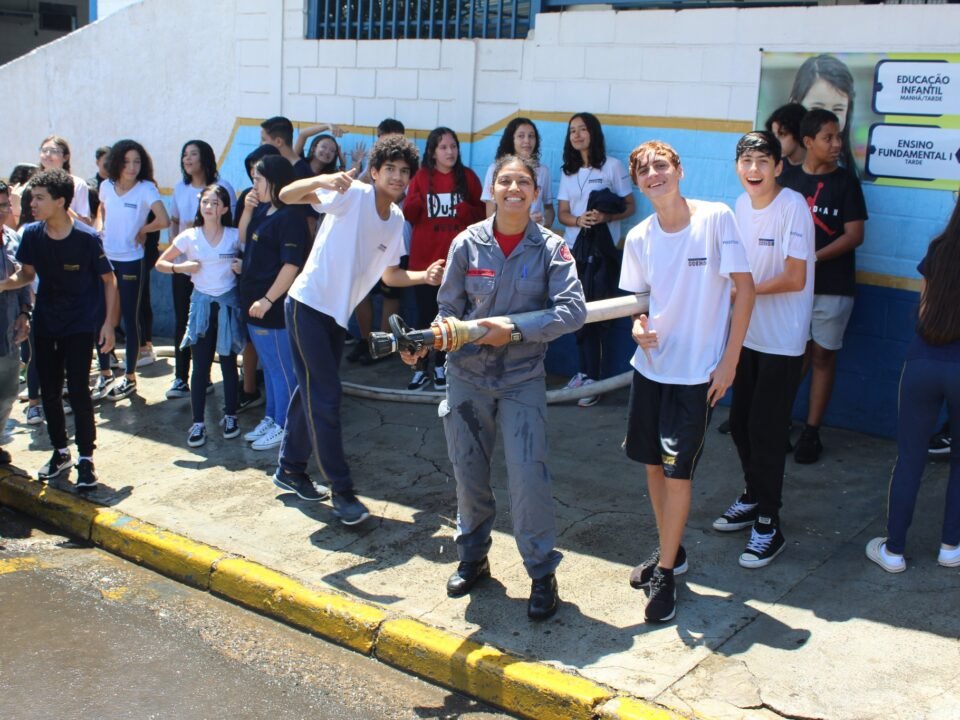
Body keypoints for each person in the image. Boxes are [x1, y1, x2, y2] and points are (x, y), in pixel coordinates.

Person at [402, 155, 586, 620]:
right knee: (469, 473)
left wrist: (516, 330)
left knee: (528, 477)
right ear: (493, 189)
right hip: (467, 378)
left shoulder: (551, 248)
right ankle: (473, 557)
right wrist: (428, 341)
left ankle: (542, 573)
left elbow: (573, 310)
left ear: (535, 192)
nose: (514, 188)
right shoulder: (468, 243)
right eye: (505, 180)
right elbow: (447, 309)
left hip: (522, 379)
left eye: (523, 181)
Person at [274, 134, 444, 525]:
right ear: (375, 171)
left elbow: (392, 274)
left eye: (405, 172)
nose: (398, 177)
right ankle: (343, 491)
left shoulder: (397, 221)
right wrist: (323, 180)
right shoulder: (354, 195)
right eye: (391, 170)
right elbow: (285, 195)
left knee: (312, 390)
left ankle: (290, 467)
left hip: (336, 316)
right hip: (307, 304)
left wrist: (425, 276)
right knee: (326, 396)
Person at [621, 141, 754, 623]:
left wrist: (729, 362)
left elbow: (746, 290)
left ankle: (667, 572)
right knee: (653, 467)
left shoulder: (715, 219)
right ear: (638, 182)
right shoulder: (638, 237)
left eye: (662, 166)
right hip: (650, 369)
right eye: (645, 170)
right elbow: (639, 302)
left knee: (679, 473)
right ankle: (669, 551)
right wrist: (637, 325)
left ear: (679, 169)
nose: (654, 175)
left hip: (698, 375)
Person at [712, 131, 815, 569]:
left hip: (783, 341)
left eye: (762, 161)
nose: (753, 169)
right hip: (747, 335)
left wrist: (743, 292)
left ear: (778, 166)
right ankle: (756, 495)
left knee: (767, 432)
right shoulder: (737, 208)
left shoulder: (792, 207)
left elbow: (794, 278)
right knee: (738, 424)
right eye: (746, 161)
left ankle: (770, 525)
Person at [1, 169, 118, 487]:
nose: (32, 203)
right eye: (31, 197)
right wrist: (3, 285)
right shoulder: (31, 234)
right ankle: (60, 451)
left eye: (39, 198)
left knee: (79, 391)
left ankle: (86, 459)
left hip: (80, 324)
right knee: (49, 393)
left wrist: (108, 324)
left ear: (60, 201)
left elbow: (109, 281)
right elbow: (26, 275)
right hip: (46, 323)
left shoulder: (86, 239)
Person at [866, 194, 960, 573]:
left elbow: (924, 310)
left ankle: (894, 551)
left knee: (910, 459)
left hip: (923, 361)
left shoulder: (939, 249)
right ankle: (951, 547)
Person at [779, 109, 867, 464]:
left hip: (832, 287)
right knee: (792, 355)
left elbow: (855, 235)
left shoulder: (846, 183)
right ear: (808, 142)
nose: (836, 144)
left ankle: (812, 432)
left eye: (838, 137)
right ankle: (778, 420)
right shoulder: (789, 182)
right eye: (828, 138)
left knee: (823, 356)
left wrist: (813, 258)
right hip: (793, 288)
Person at [556, 112, 635, 407]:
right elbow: (563, 213)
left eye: (583, 130)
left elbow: (629, 206)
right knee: (576, 315)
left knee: (596, 317)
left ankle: (593, 379)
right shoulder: (568, 172)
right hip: (573, 254)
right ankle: (584, 374)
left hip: (601, 255)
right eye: (572, 130)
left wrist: (604, 217)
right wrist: (579, 219)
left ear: (594, 133)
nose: (577, 135)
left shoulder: (613, 167)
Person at [156, 184, 243, 447]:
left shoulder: (234, 235)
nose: (209, 207)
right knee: (200, 363)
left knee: (228, 362)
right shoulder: (189, 236)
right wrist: (180, 267)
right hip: (201, 305)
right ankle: (197, 423)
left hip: (227, 305)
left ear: (225, 208)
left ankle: (230, 416)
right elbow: (160, 263)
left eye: (215, 203)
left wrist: (243, 266)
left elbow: (253, 257)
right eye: (205, 202)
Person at [235, 155, 309, 451]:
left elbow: (291, 266)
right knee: (270, 366)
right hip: (253, 305)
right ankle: (272, 417)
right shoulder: (264, 209)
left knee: (282, 369)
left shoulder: (291, 217)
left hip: (272, 308)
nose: (254, 185)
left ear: (276, 181)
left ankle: (286, 426)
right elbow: (244, 243)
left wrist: (267, 300)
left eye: (259, 180)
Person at [403, 127, 485, 391]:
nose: (450, 152)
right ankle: (419, 367)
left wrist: (466, 210)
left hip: (458, 262)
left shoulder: (468, 178)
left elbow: (482, 217)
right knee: (424, 316)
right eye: (443, 147)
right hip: (425, 263)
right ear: (433, 152)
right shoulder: (420, 177)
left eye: (453, 146)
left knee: (449, 318)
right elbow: (409, 215)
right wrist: (413, 204)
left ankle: (441, 365)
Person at [96, 139, 169, 402]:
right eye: (127, 161)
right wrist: (99, 229)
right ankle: (104, 374)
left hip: (131, 261)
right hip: (105, 259)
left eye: (137, 161)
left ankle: (129, 377)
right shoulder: (105, 186)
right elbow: (101, 210)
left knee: (130, 315)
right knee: (102, 315)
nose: (132, 167)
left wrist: (143, 231)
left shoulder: (146, 188)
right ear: (116, 162)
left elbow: (163, 219)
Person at [164, 140, 238, 400]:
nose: (187, 159)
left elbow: (232, 226)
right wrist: (178, 258)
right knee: (185, 321)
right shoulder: (180, 188)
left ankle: (205, 376)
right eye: (184, 154)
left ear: (205, 158)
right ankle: (181, 377)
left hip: (216, 272)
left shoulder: (223, 188)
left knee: (214, 327)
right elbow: (174, 222)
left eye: (193, 154)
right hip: (186, 266)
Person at [347, 117, 408, 366]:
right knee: (362, 292)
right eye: (385, 141)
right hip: (366, 242)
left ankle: (381, 346)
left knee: (390, 293)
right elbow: (354, 190)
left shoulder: (408, 169)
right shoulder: (371, 170)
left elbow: (400, 195)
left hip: (397, 240)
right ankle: (365, 340)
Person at [234, 144, 282, 414]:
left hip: (272, 290)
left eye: (260, 171)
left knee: (278, 362)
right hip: (250, 284)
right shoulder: (249, 200)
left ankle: (279, 419)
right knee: (250, 341)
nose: (255, 177)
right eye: (253, 171)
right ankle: (250, 390)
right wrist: (249, 210)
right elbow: (241, 239)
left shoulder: (284, 208)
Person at [0, 182, 32, 465]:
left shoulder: (13, 240)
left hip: (7, 330)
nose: (3, 211)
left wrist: (25, 314)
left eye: (6, 205)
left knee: (7, 392)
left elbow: (25, 280)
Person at [789, 54, 858, 176]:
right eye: (816, 108)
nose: (828, 119)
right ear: (794, 105)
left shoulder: (847, 178)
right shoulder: (779, 169)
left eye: (837, 109)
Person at [481, 117, 554, 228]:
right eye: (521, 136)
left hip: (533, 238)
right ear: (511, 139)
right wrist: (523, 221)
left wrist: (544, 223)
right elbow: (490, 215)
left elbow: (549, 208)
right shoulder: (494, 169)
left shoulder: (543, 171)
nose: (527, 141)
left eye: (531, 136)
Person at [37, 136, 93, 226]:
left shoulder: (78, 184)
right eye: (44, 150)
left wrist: (60, 206)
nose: (47, 154)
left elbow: (85, 224)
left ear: (65, 157)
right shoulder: (33, 184)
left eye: (53, 151)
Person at [764, 103, 806, 185]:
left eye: (782, 134)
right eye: (773, 135)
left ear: (798, 132)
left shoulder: (819, 169)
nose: (775, 141)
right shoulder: (775, 167)